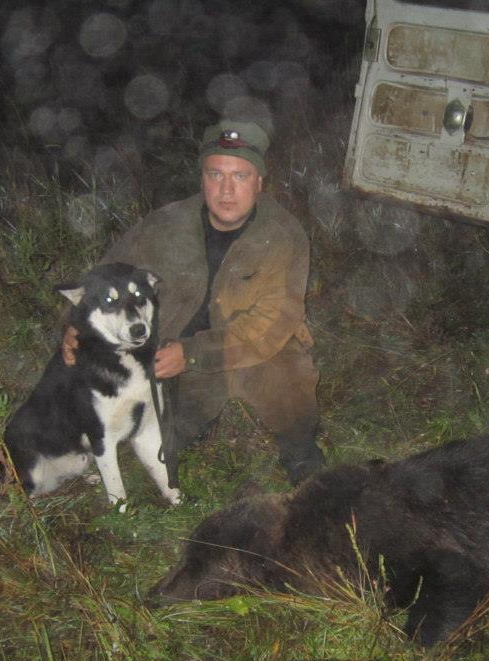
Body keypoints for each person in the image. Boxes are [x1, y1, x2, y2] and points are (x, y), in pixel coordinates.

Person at [64, 120, 324, 485]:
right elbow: (108, 274)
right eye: (216, 175)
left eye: (240, 176)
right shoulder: (166, 224)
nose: (226, 190)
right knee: (154, 452)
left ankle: (302, 456)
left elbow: (270, 323)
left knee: (286, 378)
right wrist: (77, 324)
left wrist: (190, 354)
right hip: (173, 357)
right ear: (202, 178)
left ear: (259, 183)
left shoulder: (282, 235)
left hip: (249, 353)